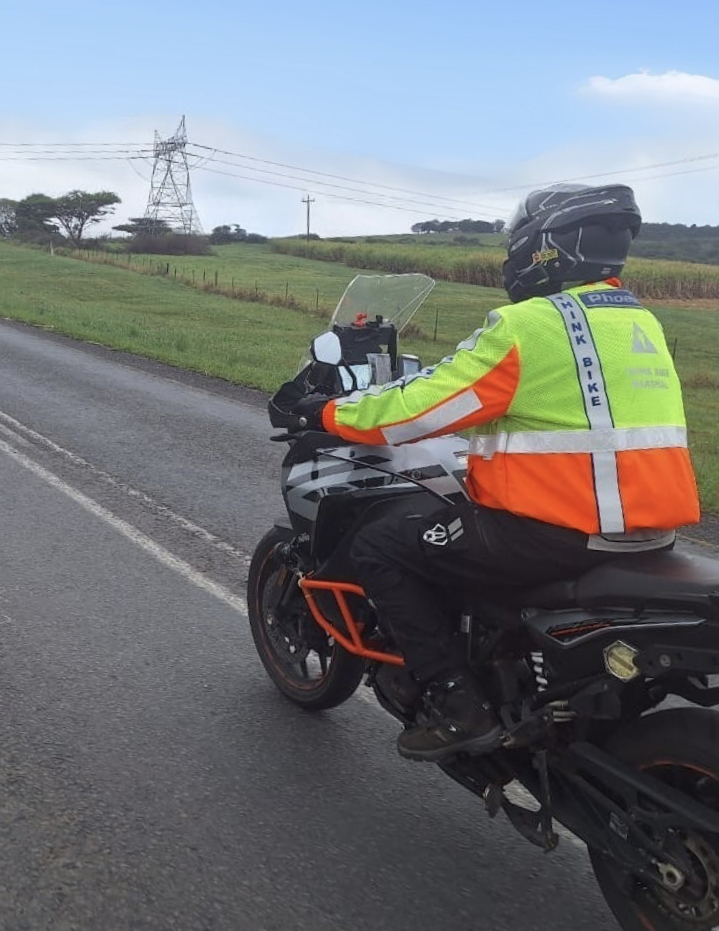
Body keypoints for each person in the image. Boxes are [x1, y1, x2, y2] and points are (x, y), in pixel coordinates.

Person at [283, 183, 699, 763]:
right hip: (651, 532)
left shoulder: (529, 325)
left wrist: (325, 410)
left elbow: (419, 407)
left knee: (383, 543)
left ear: (542, 249)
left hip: (553, 533)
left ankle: (455, 705)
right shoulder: (638, 322)